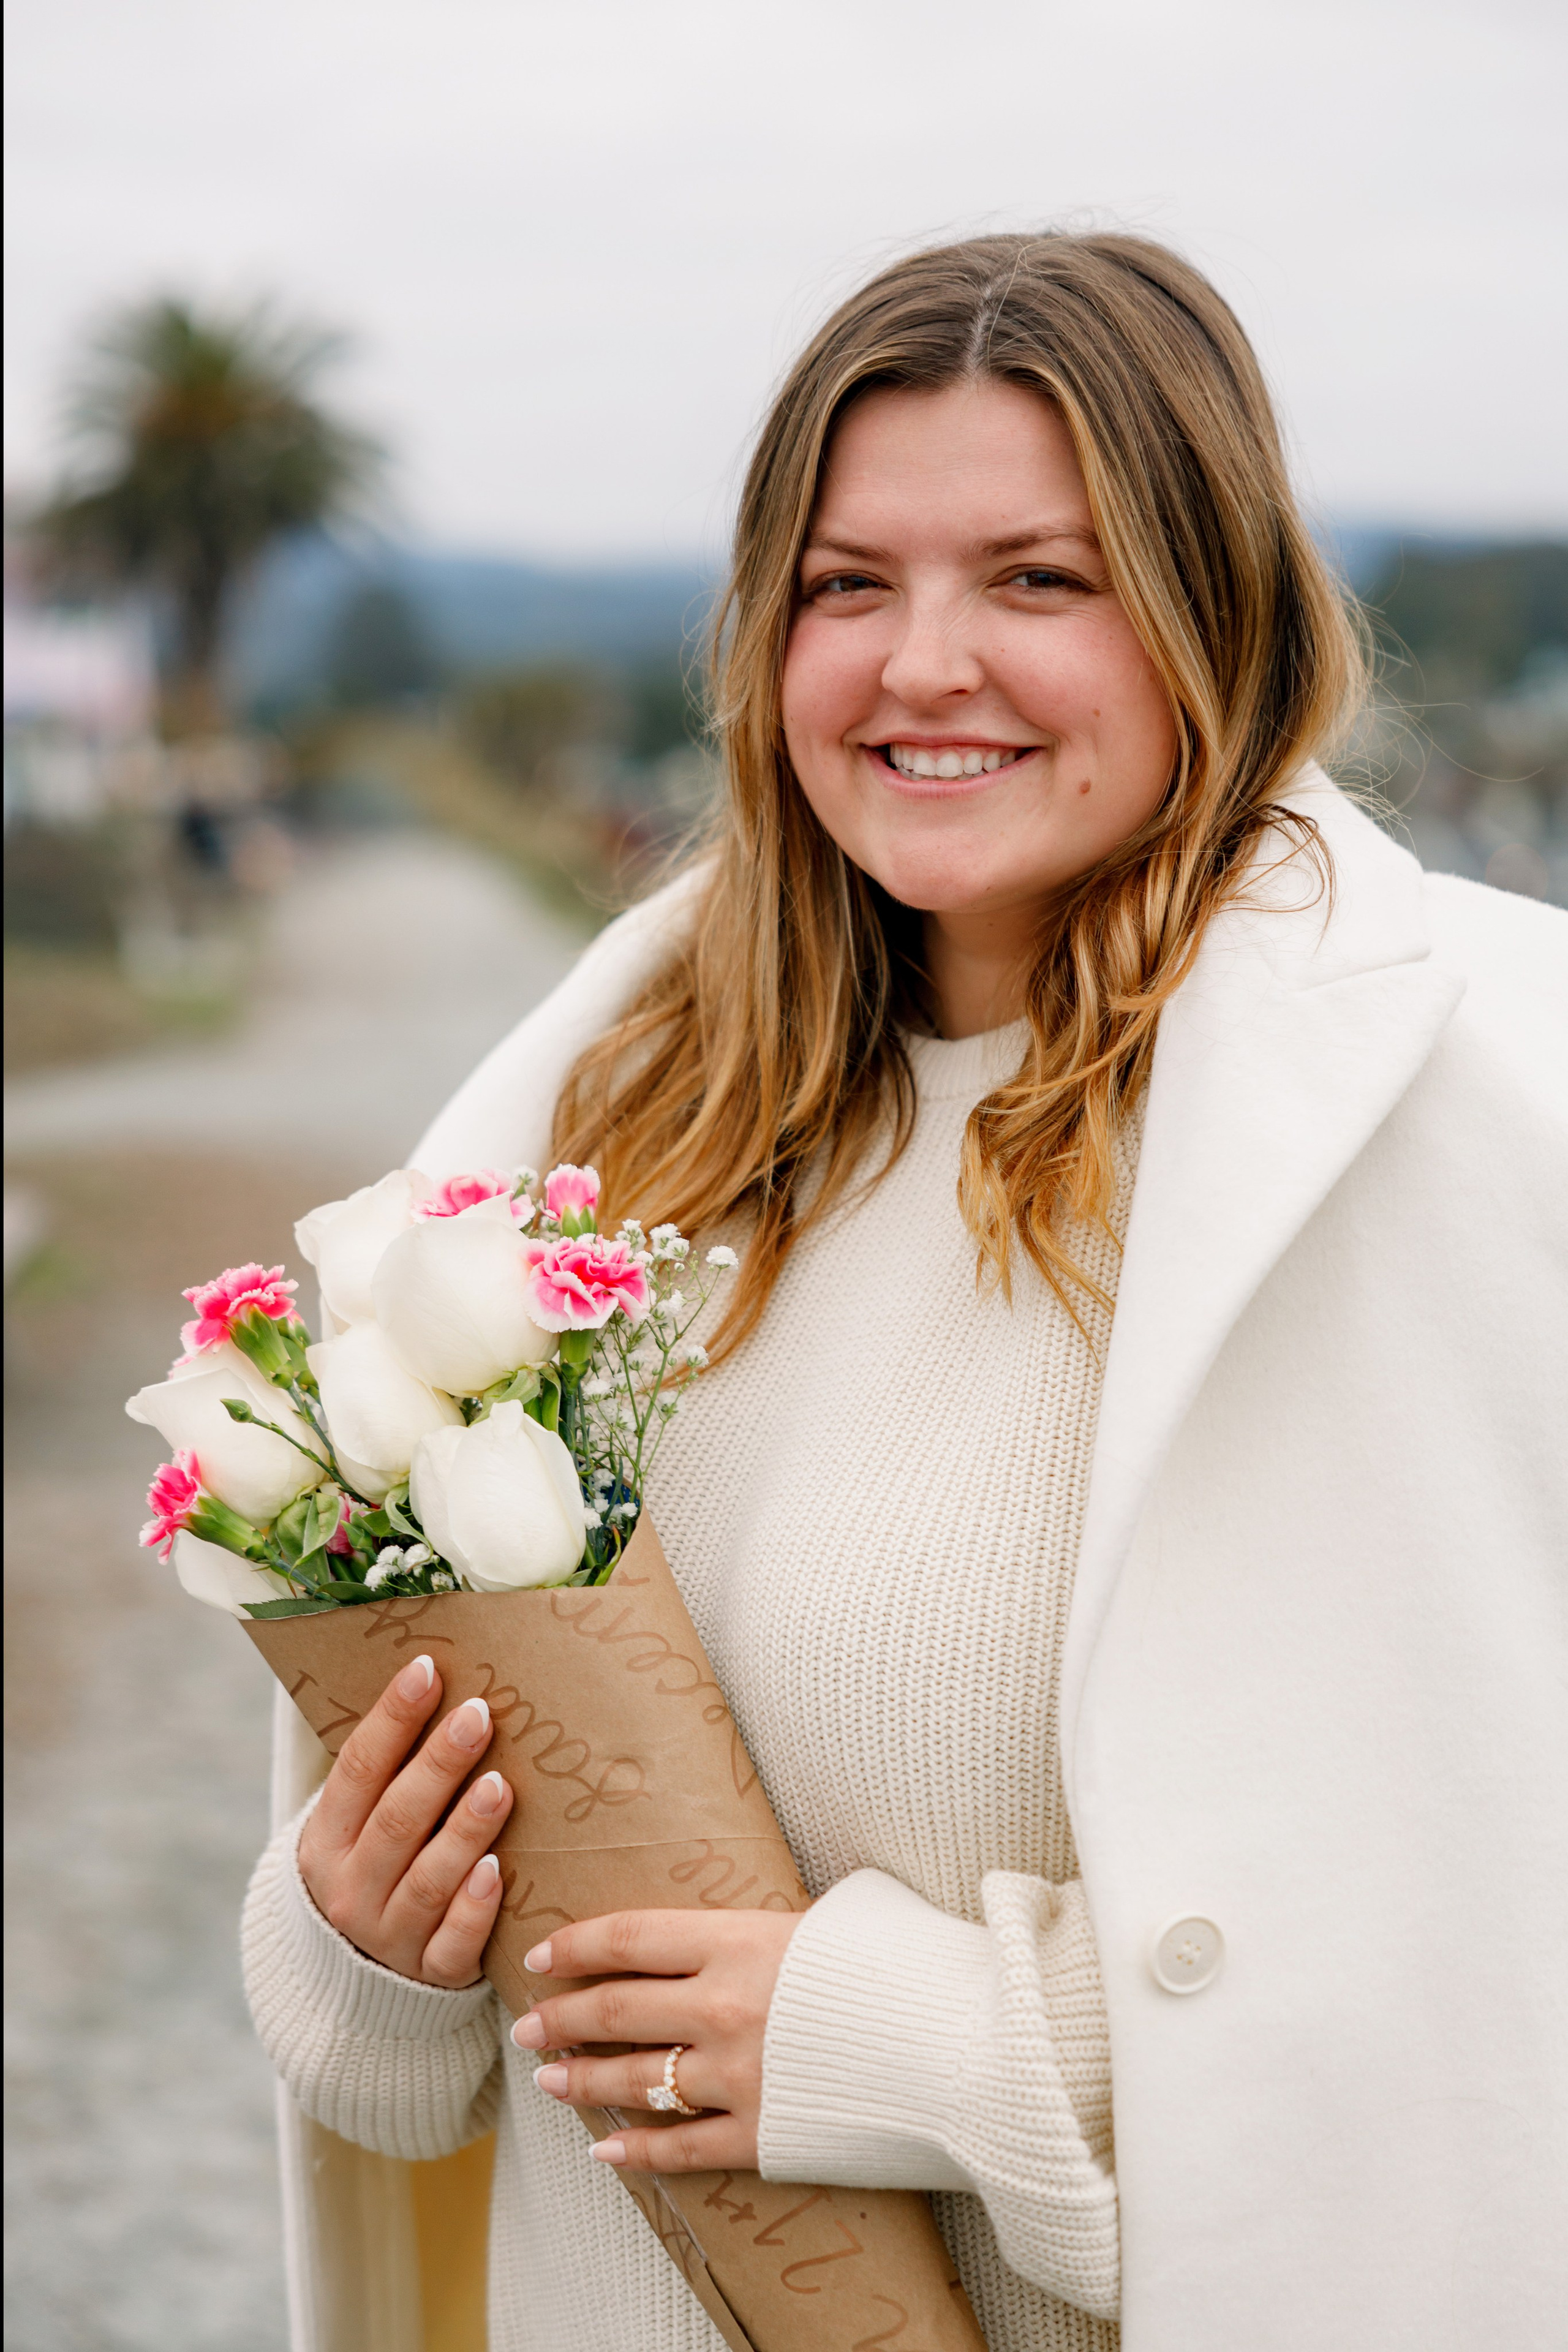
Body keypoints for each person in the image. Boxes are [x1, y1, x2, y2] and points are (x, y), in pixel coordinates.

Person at [242, 233, 1567, 2352]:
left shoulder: (1487, 1111)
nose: (919, 663)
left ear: (1216, 614)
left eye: (1038, 580)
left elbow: (1507, 1947)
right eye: (847, 585)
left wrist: (913, 2047)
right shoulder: (616, 1135)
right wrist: (364, 1942)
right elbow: (408, 2065)